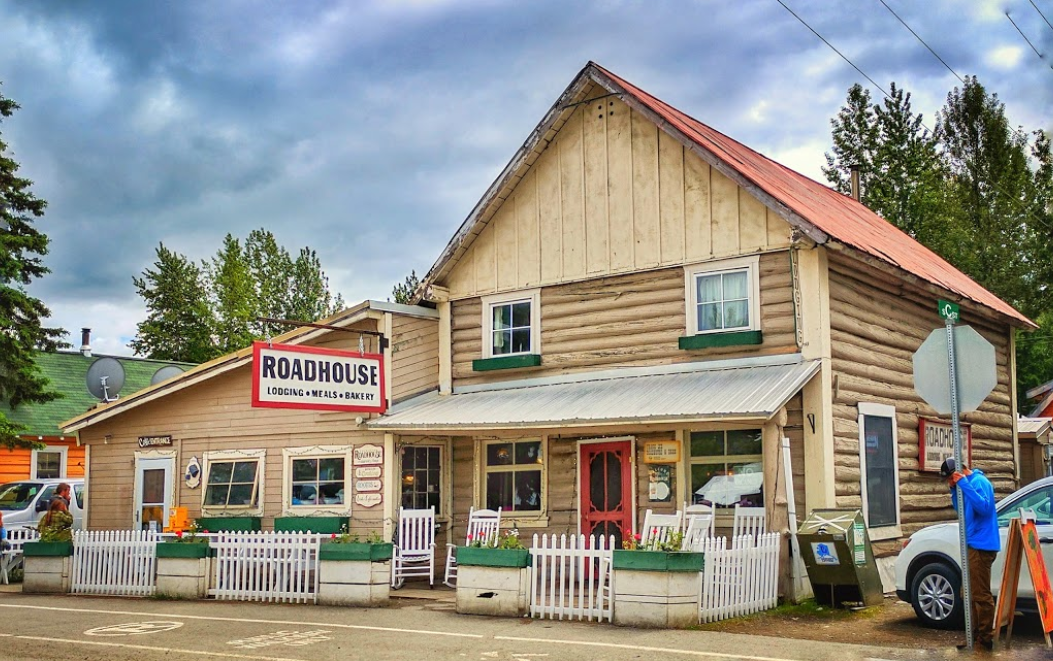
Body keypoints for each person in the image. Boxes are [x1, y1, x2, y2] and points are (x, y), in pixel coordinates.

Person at [940, 458, 999, 652]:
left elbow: (984, 508)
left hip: (981, 545)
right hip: (972, 543)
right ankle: (973, 634)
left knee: (980, 593)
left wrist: (963, 484)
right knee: (968, 592)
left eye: (950, 479)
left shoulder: (980, 483)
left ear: (960, 472)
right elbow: (961, 511)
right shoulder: (963, 486)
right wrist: (954, 491)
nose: (949, 482)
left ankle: (985, 637)